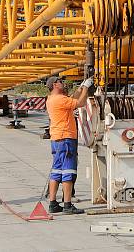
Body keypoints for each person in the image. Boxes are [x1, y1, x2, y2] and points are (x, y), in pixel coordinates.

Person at [45, 75, 93, 214]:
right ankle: (67, 204)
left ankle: (53, 204)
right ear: (55, 85)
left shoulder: (52, 99)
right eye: (60, 82)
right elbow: (81, 103)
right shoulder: (60, 99)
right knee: (68, 172)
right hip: (66, 139)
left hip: (56, 139)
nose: (63, 83)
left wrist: (80, 88)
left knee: (56, 171)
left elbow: (72, 98)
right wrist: (86, 88)